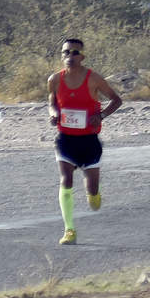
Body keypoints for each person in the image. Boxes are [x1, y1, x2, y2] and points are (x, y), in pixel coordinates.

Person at [48, 38, 123, 245]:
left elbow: (116, 100)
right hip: (65, 139)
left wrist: (101, 115)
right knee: (66, 179)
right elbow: (52, 101)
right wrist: (54, 113)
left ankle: (94, 194)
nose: (70, 56)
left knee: (93, 191)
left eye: (74, 52)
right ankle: (69, 230)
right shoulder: (55, 79)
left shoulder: (94, 79)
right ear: (62, 56)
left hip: (89, 140)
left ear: (82, 57)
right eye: (66, 52)